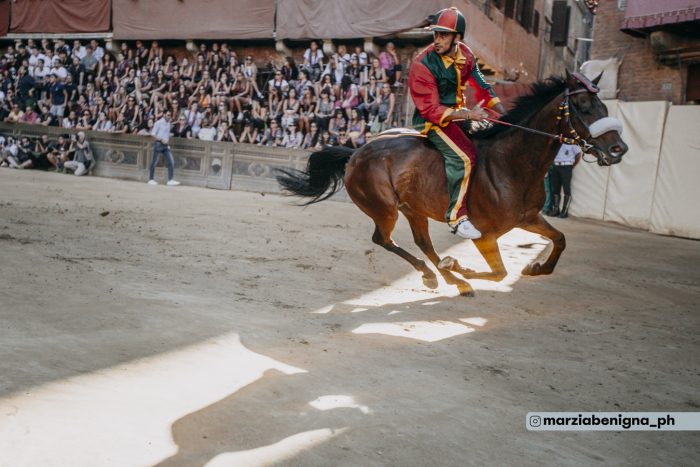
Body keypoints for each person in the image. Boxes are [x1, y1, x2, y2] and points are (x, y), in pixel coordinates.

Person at [408, 6, 506, 239]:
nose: (437, 39)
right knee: (466, 156)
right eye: (436, 34)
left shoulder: (467, 55)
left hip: (459, 115)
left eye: (443, 35)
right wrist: (469, 115)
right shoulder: (422, 64)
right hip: (432, 122)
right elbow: (432, 110)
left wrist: (504, 115)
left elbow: (483, 87)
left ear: (457, 37)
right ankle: (456, 217)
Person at [546, 143, 582, 218]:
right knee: (555, 189)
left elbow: (578, 154)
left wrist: (571, 166)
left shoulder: (572, 142)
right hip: (555, 166)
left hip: (566, 166)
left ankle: (564, 211)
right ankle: (556, 209)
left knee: (566, 189)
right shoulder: (557, 142)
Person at [148, 110, 180, 186]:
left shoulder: (168, 123)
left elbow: (167, 134)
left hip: (165, 146)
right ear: (164, 115)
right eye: (168, 115)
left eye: (170, 115)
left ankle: (170, 180)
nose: (169, 117)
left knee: (171, 162)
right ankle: (151, 179)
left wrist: (167, 142)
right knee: (154, 162)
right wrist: (161, 139)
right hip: (158, 144)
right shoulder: (158, 123)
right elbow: (153, 134)